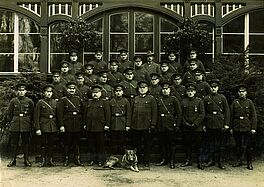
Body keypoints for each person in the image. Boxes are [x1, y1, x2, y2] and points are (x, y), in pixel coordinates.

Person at [203, 79, 230, 169]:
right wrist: (204, 125)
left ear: (218, 88)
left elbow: (227, 111)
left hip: (220, 124)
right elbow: (203, 112)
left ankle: (220, 161)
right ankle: (211, 160)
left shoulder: (222, 98)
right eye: (212, 87)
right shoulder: (206, 98)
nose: (213, 89)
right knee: (210, 143)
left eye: (215, 87)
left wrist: (226, 124)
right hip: (209, 124)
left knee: (220, 144)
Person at [6, 83, 34, 167]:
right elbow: (9, 113)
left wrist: (30, 123)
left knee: (26, 142)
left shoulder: (29, 101)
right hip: (15, 123)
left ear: (25, 91)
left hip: (26, 123)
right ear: (17, 91)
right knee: (14, 142)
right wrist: (12, 121)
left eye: (23, 90)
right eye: (19, 90)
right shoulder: (13, 101)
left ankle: (26, 160)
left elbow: (32, 113)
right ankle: (13, 160)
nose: (21, 92)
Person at [230, 84, 257, 170]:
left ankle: (249, 162)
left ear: (246, 93)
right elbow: (231, 116)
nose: (241, 93)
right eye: (240, 92)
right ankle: (239, 161)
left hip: (247, 126)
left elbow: (253, 116)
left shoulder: (249, 102)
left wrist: (253, 128)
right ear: (238, 93)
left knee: (248, 146)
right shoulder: (235, 102)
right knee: (238, 145)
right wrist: (231, 127)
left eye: (243, 92)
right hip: (237, 126)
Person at [131, 80, 157, 167]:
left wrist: (153, 124)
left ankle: (146, 160)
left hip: (147, 125)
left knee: (147, 144)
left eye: (144, 88)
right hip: (136, 125)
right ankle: (138, 159)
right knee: (136, 144)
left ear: (147, 89)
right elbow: (131, 112)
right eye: (140, 88)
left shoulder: (151, 99)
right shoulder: (135, 99)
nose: (142, 89)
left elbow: (154, 112)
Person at [155, 81, 182, 169]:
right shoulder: (159, 100)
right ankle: (164, 159)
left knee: (172, 144)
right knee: (162, 143)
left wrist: (177, 125)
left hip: (171, 125)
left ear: (170, 90)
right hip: (161, 125)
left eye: (167, 89)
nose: (165, 91)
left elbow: (179, 113)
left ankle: (172, 161)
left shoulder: (174, 99)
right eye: (163, 89)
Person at [57, 82, 84, 166]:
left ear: (75, 90)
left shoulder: (79, 99)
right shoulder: (63, 100)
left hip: (77, 124)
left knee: (77, 142)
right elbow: (60, 114)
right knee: (67, 143)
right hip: (67, 124)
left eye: (73, 89)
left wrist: (82, 124)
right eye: (70, 89)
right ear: (67, 90)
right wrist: (61, 125)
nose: (71, 90)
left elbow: (82, 112)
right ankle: (66, 159)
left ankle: (77, 159)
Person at [180, 82, 205, 170]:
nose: (190, 93)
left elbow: (202, 114)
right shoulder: (183, 101)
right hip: (186, 127)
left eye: (192, 91)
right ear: (186, 92)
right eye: (188, 91)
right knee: (187, 144)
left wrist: (196, 123)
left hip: (197, 128)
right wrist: (185, 123)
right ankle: (188, 160)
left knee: (198, 145)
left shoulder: (199, 101)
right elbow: (181, 114)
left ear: (195, 92)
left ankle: (199, 161)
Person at [84, 85, 111, 167]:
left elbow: (108, 114)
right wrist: (85, 124)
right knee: (91, 144)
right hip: (90, 126)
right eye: (93, 93)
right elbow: (85, 114)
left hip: (100, 127)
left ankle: (100, 160)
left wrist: (107, 125)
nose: (95, 94)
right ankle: (92, 160)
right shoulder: (89, 102)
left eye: (97, 92)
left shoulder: (104, 102)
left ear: (100, 93)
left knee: (100, 145)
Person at [34, 84, 58, 167]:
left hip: (53, 125)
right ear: (44, 93)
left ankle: (50, 160)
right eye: (47, 92)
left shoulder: (55, 102)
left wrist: (58, 126)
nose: (49, 93)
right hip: (43, 125)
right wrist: (37, 128)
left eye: (50, 92)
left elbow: (57, 115)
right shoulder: (40, 103)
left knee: (51, 143)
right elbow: (36, 117)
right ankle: (43, 160)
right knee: (43, 144)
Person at [109, 84, 131, 154]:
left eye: (120, 91)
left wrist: (127, 125)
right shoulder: (111, 101)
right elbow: (108, 114)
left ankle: (121, 158)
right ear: (114, 92)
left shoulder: (126, 101)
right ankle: (114, 157)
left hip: (122, 123)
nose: (118, 92)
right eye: (117, 91)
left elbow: (129, 114)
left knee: (122, 142)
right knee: (113, 142)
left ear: (122, 92)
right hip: (113, 123)